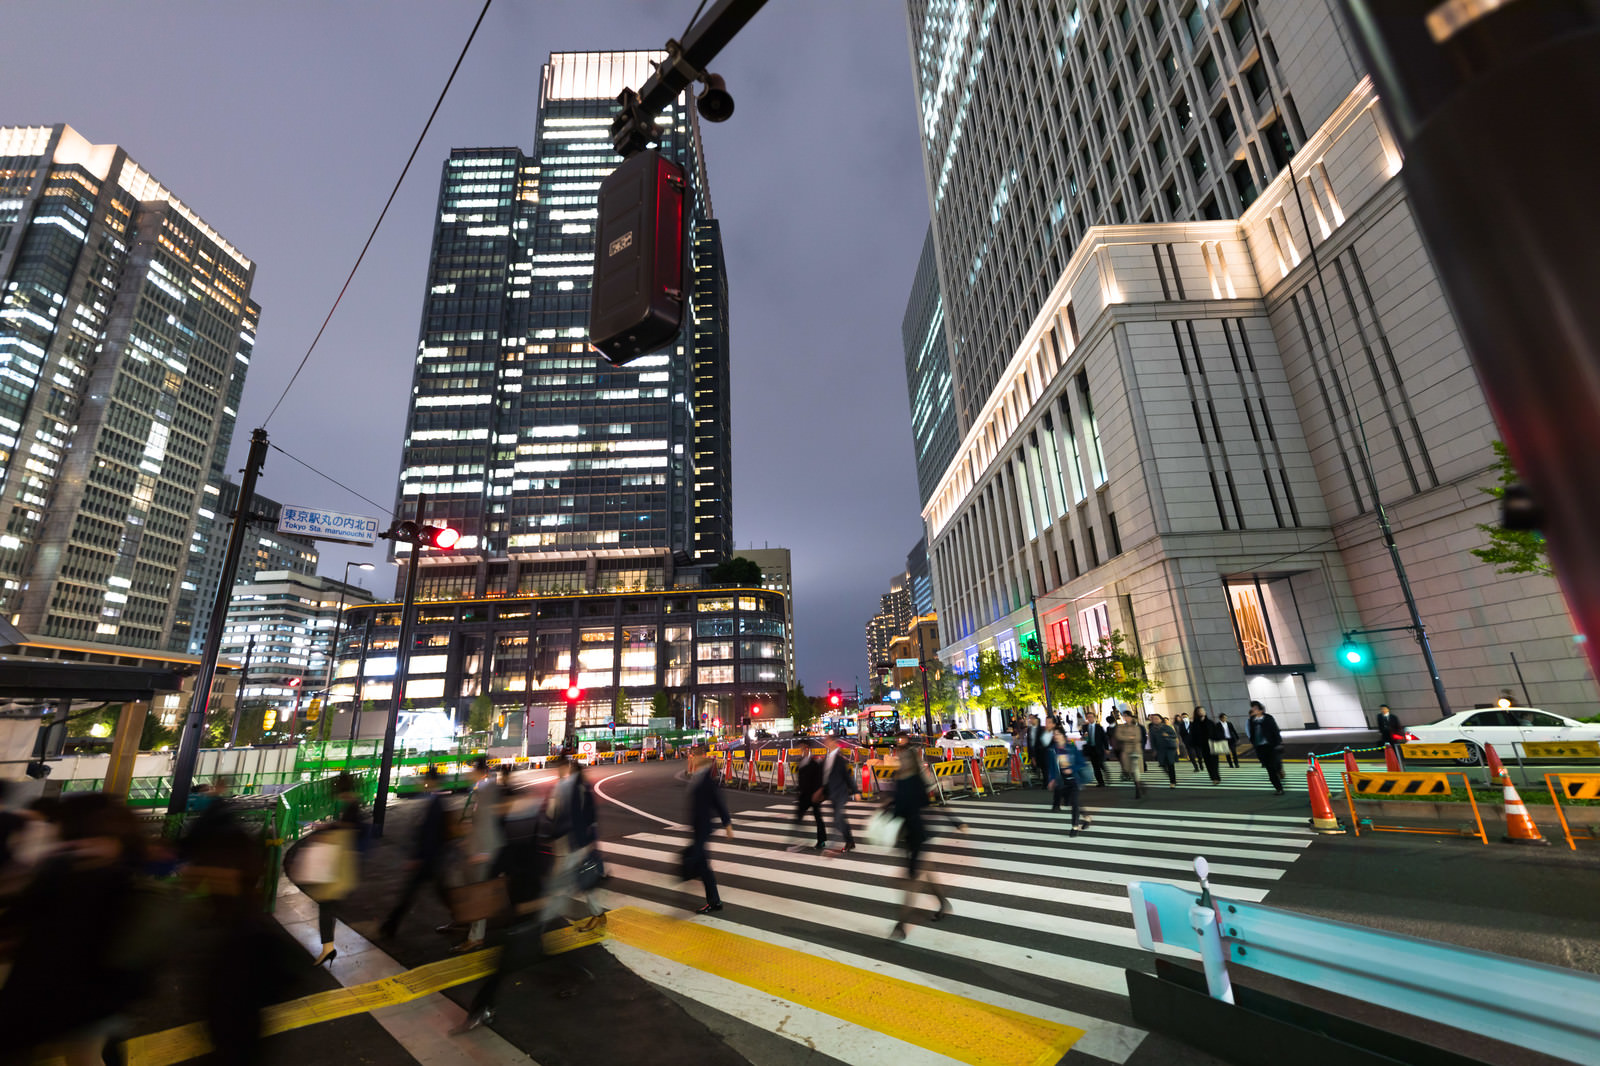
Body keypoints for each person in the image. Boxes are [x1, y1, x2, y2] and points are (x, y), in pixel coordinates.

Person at [886, 744, 956, 940]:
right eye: (901, 759)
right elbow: (897, 805)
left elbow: (926, 805)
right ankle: (943, 903)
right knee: (926, 871)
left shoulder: (916, 780)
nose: (903, 762)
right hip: (904, 833)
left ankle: (900, 925)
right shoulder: (898, 779)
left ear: (913, 762)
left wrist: (956, 823)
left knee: (913, 880)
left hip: (917, 832)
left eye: (907, 759)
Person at [379, 767, 455, 940]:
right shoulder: (436, 801)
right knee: (438, 892)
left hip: (429, 859)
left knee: (412, 893)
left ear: (431, 781)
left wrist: (418, 857)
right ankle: (390, 925)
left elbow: (430, 835)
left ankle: (390, 925)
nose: (422, 783)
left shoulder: (435, 803)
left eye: (425, 780)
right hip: (434, 859)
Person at [540, 752, 607, 933]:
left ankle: (546, 919)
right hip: (577, 841)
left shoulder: (567, 787)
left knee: (566, 879)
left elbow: (552, 813)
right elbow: (590, 816)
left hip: (574, 842)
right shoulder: (581, 786)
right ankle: (598, 914)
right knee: (579, 877)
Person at [307, 773, 366, 965]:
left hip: (339, 863)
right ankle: (328, 948)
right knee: (329, 904)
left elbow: (347, 828)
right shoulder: (353, 804)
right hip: (342, 861)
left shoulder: (352, 805)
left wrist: (324, 828)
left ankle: (328, 948)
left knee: (327, 903)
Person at [455, 757, 503, 951]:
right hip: (483, 847)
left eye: (471, 770)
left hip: (485, 849)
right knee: (477, 890)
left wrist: (481, 850)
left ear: (480, 771)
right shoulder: (483, 788)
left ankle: (475, 937)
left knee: (478, 893)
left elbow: (486, 823)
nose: (468, 773)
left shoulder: (486, 790)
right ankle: (470, 927)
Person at [687, 752, 733, 914]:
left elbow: (719, 803)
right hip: (699, 828)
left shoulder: (707, 781)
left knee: (702, 866)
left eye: (696, 761)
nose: (693, 762)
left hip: (703, 828)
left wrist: (727, 824)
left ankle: (714, 901)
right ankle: (714, 900)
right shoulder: (697, 778)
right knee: (701, 864)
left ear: (703, 765)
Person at [1046, 726, 1090, 833]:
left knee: (1074, 803)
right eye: (1054, 734)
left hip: (1073, 779)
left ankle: (1074, 827)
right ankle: (1087, 818)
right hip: (1062, 781)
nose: (1055, 736)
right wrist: (1051, 779)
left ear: (1063, 735)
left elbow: (1082, 763)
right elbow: (1051, 767)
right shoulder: (1052, 750)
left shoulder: (1071, 748)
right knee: (1071, 802)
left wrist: (1071, 769)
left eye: (1057, 734)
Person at [818, 735, 857, 853]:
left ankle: (833, 847)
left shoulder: (840, 759)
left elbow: (847, 777)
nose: (827, 743)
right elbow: (825, 776)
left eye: (829, 741)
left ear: (834, 742)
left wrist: (855, 791)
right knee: (841, 819)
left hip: (840, 793)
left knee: (837, 819)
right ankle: (850, 841)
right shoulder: (827, 758)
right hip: (831, 792)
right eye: (826, 742)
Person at [793, 745, 827, 849]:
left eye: (802, 749)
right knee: (798, 817)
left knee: (818, 818)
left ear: (807, 749)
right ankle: (806, 837)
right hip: (804, 796)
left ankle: (821, 840)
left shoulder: (815, 763)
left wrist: (819, 792)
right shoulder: (801, 762)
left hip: (814, 795)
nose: (800, 751)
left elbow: (819, 779)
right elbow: (801, 779)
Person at [1248, 700, 1286, 794]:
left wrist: (1278, 743)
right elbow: (1252, 733)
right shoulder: (1252, 720)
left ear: (1261, 710)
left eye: (1256, 708)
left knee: (1273, 766)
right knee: (1269, 768)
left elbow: (1275, 731)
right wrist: (1253, 743)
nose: (1254, 710)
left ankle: (1279, 773)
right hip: (1260, 747)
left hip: (1271, 746)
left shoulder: (1268, 718)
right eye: (1253, 708)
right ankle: (1278, 788)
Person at [1111, 708, 1147, 799]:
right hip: (1125, 750)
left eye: (1127, 716)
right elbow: (1119, 736)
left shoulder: (1137, 727)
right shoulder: (1120, 727)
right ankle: (1139, 784)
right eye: (1124, 716)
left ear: (1131, 717)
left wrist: (1128, 738)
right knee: (1128, 769)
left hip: (1136, 749)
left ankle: (1138, 787)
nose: (1125, 718)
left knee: (1135, 769)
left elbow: (1138, 738)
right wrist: (1129, 737)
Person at [1191, 707, 1223, 784]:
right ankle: (1213, 777)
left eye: (1203, 710)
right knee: (1208, 762)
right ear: (1197, 713)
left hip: (1213, 744)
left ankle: (1216, 777)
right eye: (1200, 711)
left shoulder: (1210, 722)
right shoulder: (1195, 724)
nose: (1202, 712)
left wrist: (1218, 740)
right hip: (1203, 746)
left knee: (1215, 762)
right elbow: (1193, 735)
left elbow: (1216, 733)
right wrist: (1195, 744)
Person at [1148, 714, 1180, 787]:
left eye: (1157, 718)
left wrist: (1168, 735)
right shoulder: (1152, 730)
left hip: (1169, 748)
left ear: (1160, 719)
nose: (1155, 720)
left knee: (1170, 764)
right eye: (1154, 719)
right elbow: (1152, 741)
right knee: (1163, 765)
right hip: (1160, 750)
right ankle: (1172, 778)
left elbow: (1174, 736)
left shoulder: (1167, 727)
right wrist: (1154, 750)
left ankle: (1172, 781)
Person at [1080, 710, 1110, 787]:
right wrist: (1084, 738)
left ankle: (1105, 771)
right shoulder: (1085, 727)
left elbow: (1104, 738)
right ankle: (1101, 782)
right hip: (1091, 749)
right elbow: (1084, 737)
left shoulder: (1099, 727)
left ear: (1094, 718)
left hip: (1099, 748)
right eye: (1088, 717)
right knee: (1095, 766)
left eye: (1091, 717)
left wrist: (1106, 748)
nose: (1090, 718)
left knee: (1099, 763)